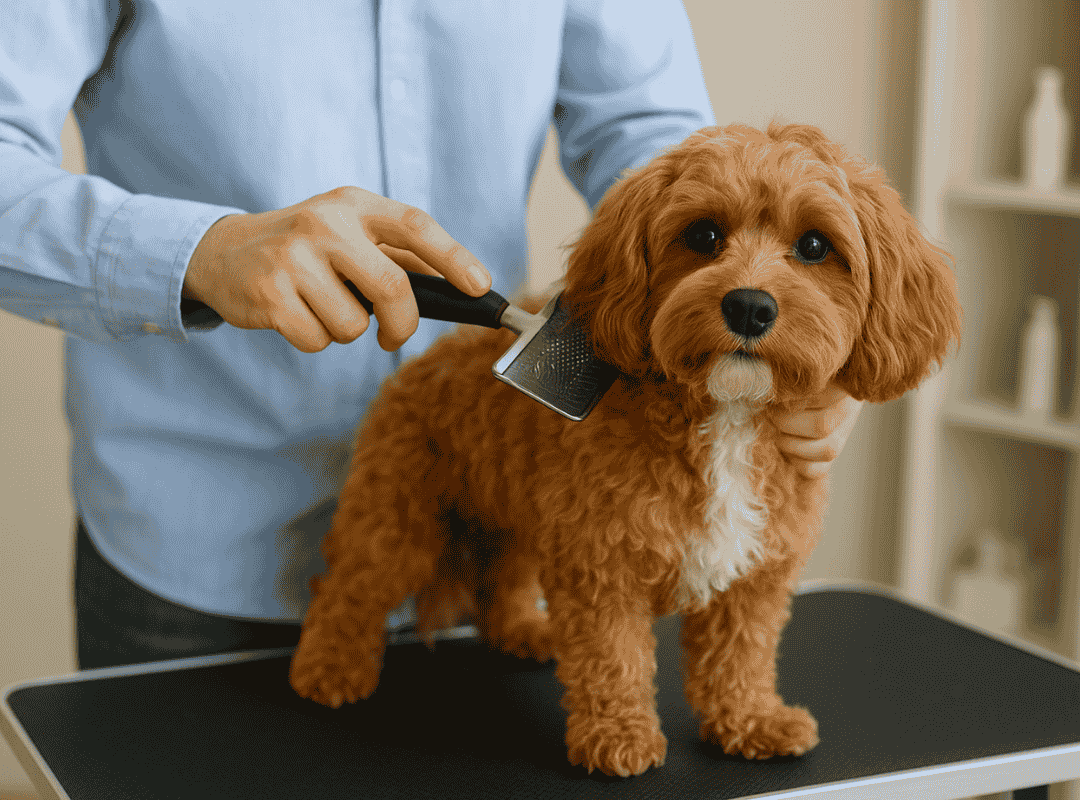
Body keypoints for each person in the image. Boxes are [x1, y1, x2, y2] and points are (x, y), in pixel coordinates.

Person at [0, 1, 862, 670]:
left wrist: (761, 326)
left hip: (510, 552)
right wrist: (206, 251)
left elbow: (655, 147)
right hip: (188, 543)